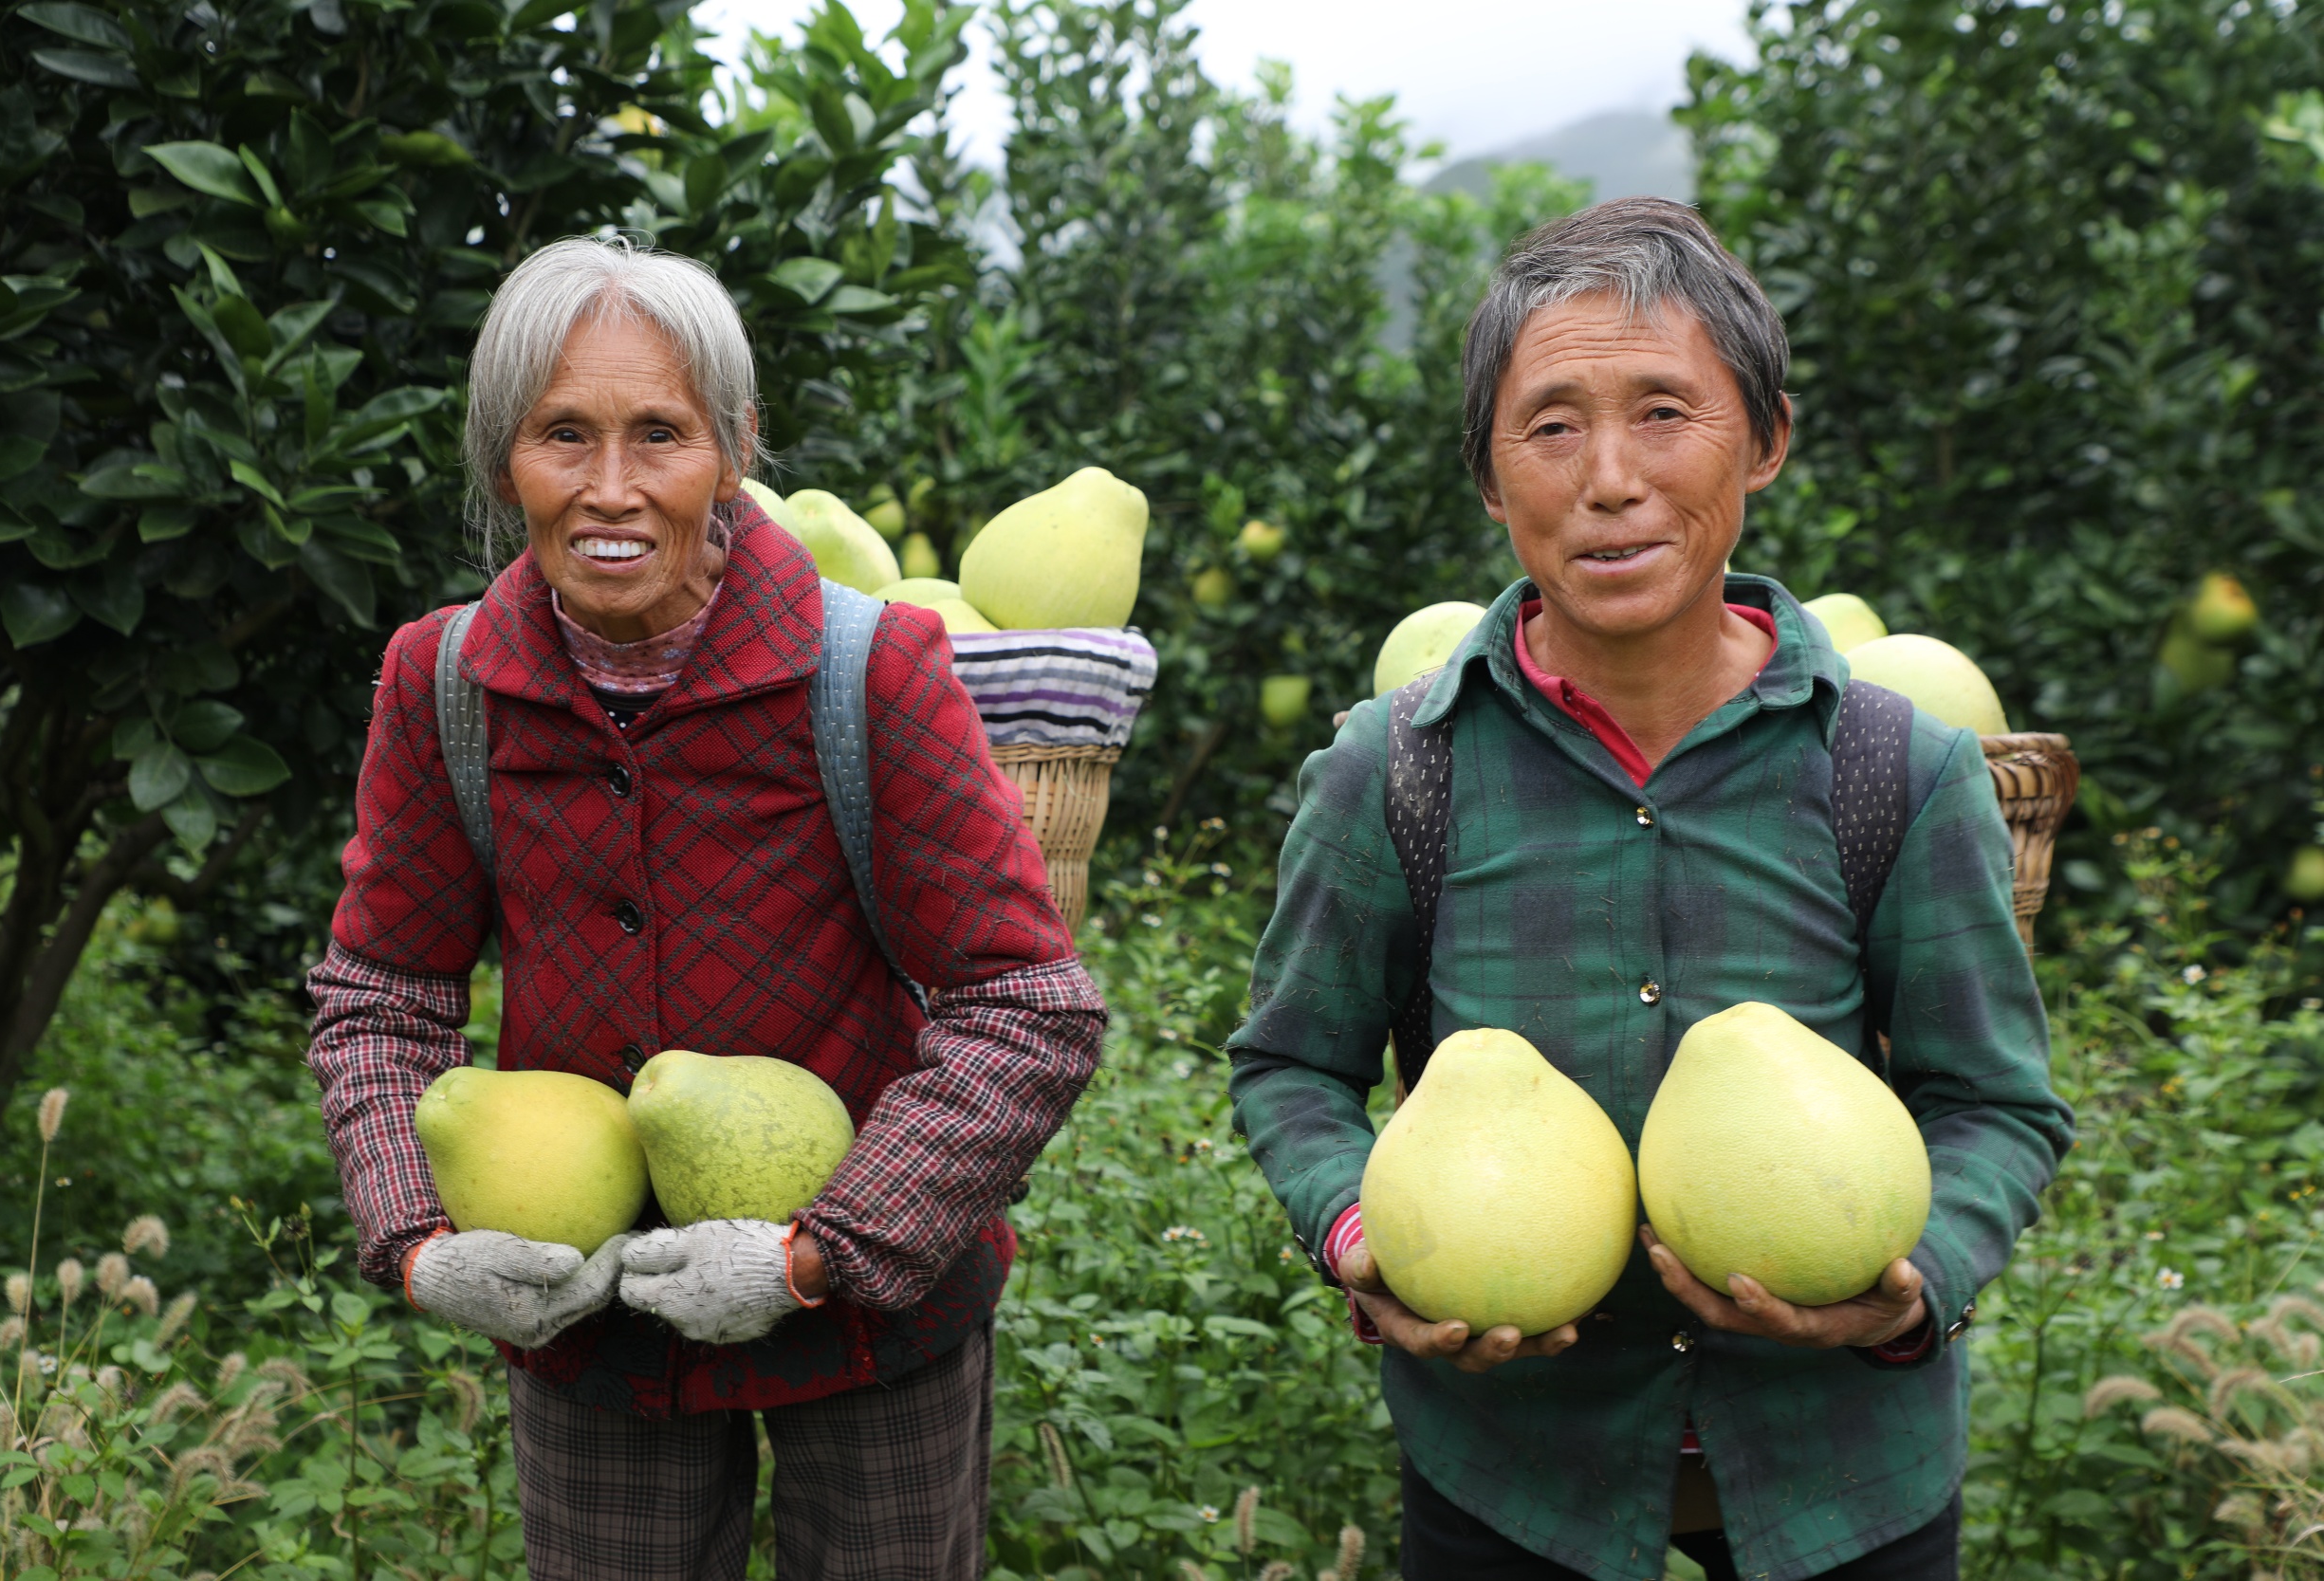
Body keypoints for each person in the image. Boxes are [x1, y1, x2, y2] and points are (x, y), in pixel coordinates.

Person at [1227, 198, 2073, 1581]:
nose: (1608, 477)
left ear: (1769, 440)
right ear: (1492, 482)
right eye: (1551, 426)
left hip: (1844, 1475)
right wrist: (1362, 1235)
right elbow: (1290, 1069)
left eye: (1666, 412)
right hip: (1514, 1477)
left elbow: (1996, 1100)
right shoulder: (1394, 774)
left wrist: (1917, 1283)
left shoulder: (1896, 770)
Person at [306, 236, 1106, 1580]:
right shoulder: (445, 684)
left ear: (733, 447)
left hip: (874, 1317)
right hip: (593, 1328)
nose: (610, 488)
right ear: (507, 454)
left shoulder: (874, 672)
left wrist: (823, 1252)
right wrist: (416, 1240)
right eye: (565, 434)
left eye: (660, 434)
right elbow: (382, 993)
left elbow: (1026, 1005)